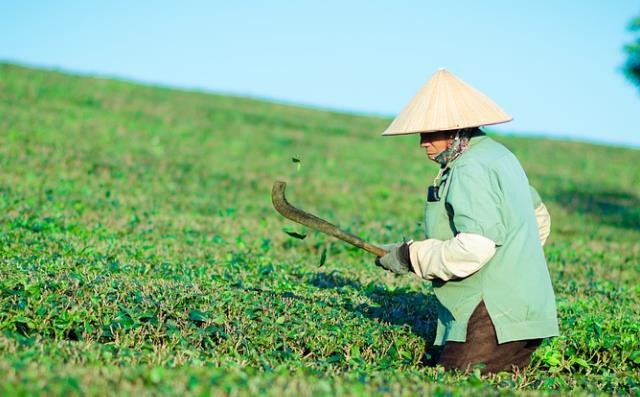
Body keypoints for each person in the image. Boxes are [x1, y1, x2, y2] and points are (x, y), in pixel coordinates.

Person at [376, 68, 559, 373]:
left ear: (457, 128)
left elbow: (474, 248)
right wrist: (514, 267)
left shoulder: (469, 168)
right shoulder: (499, 156)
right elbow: (538, 217)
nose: (423, 142)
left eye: (431, 132)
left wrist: (410, 256)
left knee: (455, 384)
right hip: (525, 310)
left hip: (492, 316)